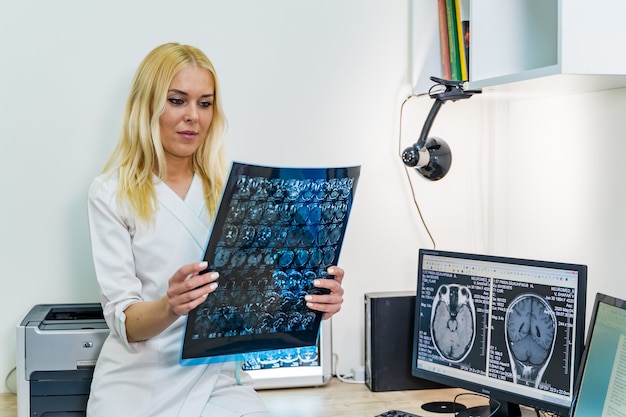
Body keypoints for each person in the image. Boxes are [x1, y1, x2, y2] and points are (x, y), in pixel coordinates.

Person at [86, 42, 346, 417]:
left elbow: (262, 300)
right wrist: (169, 305)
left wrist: (314, 302)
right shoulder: (110, 193)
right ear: (147, 107)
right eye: (177, 100)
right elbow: (125, 323)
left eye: (204, 103)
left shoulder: (235, 191)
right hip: (139, 387)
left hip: (217, 381)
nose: (193, 116)